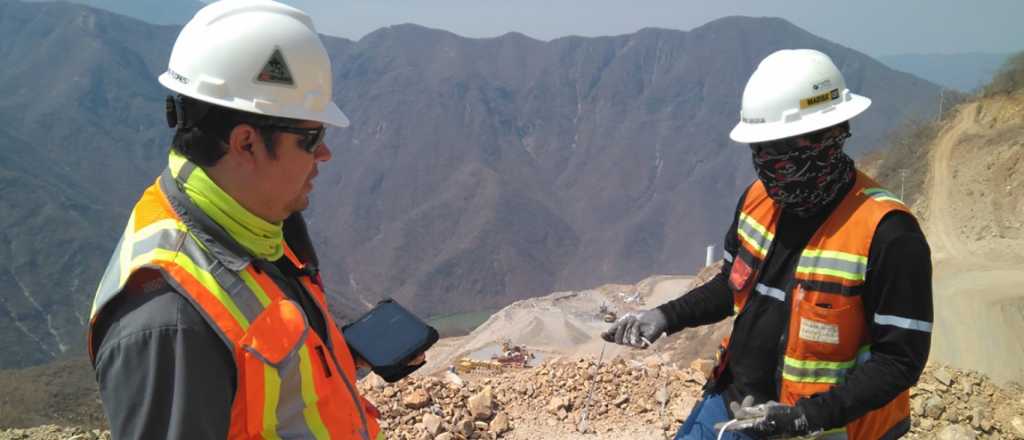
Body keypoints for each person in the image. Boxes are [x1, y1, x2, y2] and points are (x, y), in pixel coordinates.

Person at [87, 1, 419, 438]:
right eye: (312, 137)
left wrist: (342, 355)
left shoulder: (253, 224)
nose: (325, 153)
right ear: (245, 143)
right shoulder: (170, 321)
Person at [604, 49, 933, 439]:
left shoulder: (888, 234)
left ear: (827, 139)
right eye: (757, 151)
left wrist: (805, 417)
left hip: (821, 430)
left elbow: (899, 360)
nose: (764, 164)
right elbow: (731, 285)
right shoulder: (758, 201)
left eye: (777, 152)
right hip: (732, 404)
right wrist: (664, 317)